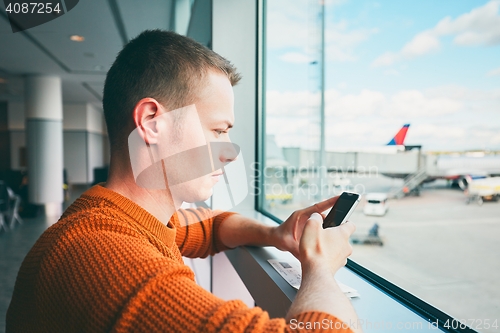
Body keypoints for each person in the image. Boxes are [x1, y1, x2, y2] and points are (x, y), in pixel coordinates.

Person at [7, 30, 361, 333]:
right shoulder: (105, 257)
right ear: (151, 122)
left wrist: (274, 235)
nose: (230, 152)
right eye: (218, 130)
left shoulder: (119, 219)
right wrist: (319, 266)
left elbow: (210, 227)